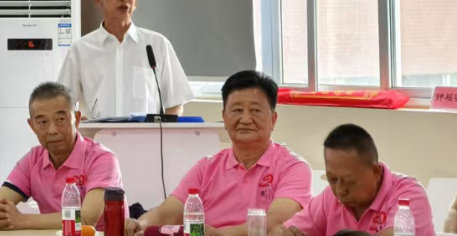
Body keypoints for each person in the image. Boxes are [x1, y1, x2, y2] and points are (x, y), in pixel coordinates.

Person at [127, 70, 312, 236]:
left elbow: (276, 221)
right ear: (224, 118)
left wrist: (221, 234)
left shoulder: (293, 167)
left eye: (255, 110)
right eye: (237, 110)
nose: (245, 119)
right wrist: (138, 224)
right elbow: (166, 213)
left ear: (273, 120)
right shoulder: (207, 167)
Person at [57, 0, 193, 119]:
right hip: (97, 135)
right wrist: (83, 128)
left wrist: (162, 132)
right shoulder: (80, 50)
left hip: (147, 135)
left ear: (137, 0)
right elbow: (62, 105)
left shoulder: (157, 45)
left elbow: (175, 104)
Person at [0, 82, 123, 231]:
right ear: (32, 126)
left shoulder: (101, 159)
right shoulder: (32, 160)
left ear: (77, 119)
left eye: (60, 120)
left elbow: (86, 218)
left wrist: (21, 220)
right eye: (43, 122)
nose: (52, 130)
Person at [273, 124, 435, 236]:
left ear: (375, 172)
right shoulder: (329, 197)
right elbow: (281, 231)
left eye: (349, 181)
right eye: (332, 179)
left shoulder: (408, 196)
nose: (339, 191)